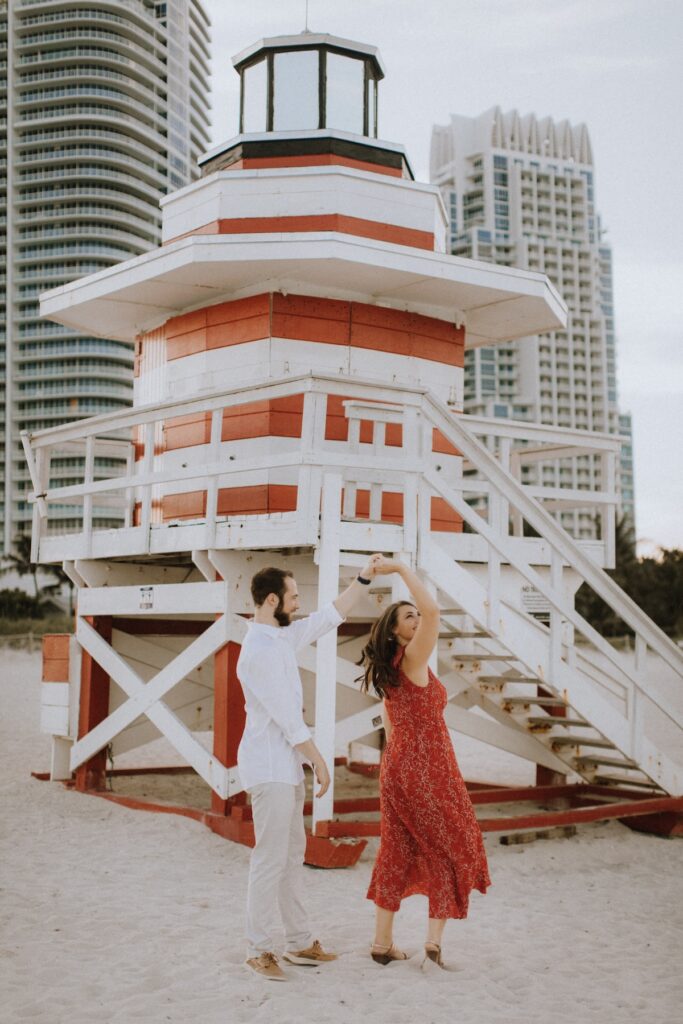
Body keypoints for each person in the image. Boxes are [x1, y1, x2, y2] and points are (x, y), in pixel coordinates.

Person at [237, 555, 382, 981]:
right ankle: (257, 949)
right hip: (268, 765)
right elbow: (286, 716)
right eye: (293, 597)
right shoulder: (258, 650)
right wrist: (319, 761)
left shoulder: (280, 636)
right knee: (269, 859)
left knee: (290, 857)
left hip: (285, 767)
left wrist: (364, 578)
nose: (299, 604)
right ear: (270, 601)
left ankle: (298, 943)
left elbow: (330, 616)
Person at [358, 557, 491, 968]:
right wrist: (400, 569)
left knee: (396, 850)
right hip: (426, 769)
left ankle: (383, 944)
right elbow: (435, 611)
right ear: (395, 632)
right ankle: (433, 941)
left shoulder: (391, 670)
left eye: (416, 614)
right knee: (452, 846)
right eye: (408, 616)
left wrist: (396, 770)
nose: (418, 618)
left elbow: (389, 721)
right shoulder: (413, 660)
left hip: (398, 769)